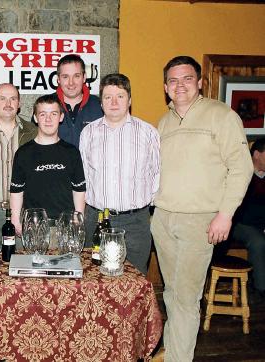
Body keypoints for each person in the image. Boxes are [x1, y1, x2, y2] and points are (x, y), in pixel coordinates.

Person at [150, 55, 253, 361]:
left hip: (200, 221)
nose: (179, 85)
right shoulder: (163, 123)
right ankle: (173, 351)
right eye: (173, 80)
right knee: (171, 292)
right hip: (164, 218)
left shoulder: (221, 116)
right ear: (166, 87)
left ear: (199, 82)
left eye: (186, 78)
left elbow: (241, 168)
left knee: (186, 297)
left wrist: (225, 215)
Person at [80, 73, 160, 275]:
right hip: (96, 220)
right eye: (108, 97)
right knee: (94, 279)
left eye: (120, 96)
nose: (114, 102)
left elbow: (155, 175)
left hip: (135, 222)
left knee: (135, 280)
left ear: (130, 100)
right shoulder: (88, 133)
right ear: (101, 102)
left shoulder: (148, 133)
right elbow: (85, 176)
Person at [10, 94, 86, 234]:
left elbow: (79, 190)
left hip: (66, 227)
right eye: (43, 114)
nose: (48, 119)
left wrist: (78, 219)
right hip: (33, 227)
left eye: (54, 113)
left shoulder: (72, 152)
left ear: (61, 117)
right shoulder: (23, 153)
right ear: (35, 118)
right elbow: (16, 191)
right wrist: (15, 220)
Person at [232, 137, 265, 304]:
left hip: (259, 224)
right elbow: (242, 211)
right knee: (258, 241)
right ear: (257, 154)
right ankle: (261, 288)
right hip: (239, 224)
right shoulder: (243, 175)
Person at [53, 54, 102, 148]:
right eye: (65, 77)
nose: (71, 83)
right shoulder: (46, 106)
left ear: (84, 77)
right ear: (58, 79)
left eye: (76, 76)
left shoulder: (99, 106)